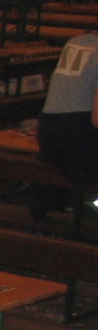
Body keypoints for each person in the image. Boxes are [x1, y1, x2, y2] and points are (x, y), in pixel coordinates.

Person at [34, 27, 98, 220]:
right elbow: (97, 120)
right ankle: (91, 207)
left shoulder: (75, 42)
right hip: (76, 134)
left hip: (48, 129)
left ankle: (43, 207)